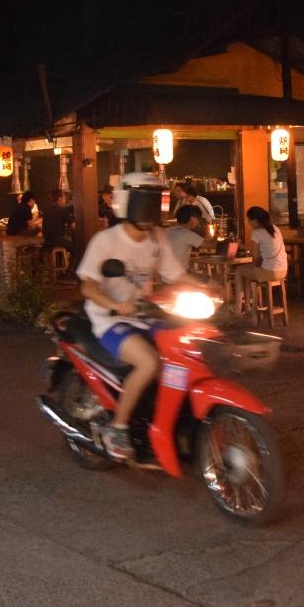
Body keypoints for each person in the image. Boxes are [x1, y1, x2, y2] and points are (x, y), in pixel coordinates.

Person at [76, 173, 189, 460]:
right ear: (127, 202)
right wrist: (114, 305)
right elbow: (88, 286)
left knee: (184, 352)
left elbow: (176, 276)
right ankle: (118, 427)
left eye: (155, 201)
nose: (149, 209)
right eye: (144, 201)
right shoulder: (106, 240)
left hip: (146, 315)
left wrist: (208, 288)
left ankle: (166, 419)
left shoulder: (158, 238)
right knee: (149, 362)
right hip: (110, 320)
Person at [234, 206, 288, 313]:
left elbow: (254, 256)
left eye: (249, 220)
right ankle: (247, 307)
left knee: (239, 270)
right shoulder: (275, 229)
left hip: (270, 272)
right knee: (247, 272)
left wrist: (242, 247)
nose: (249, 223)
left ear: (255, 220)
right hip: (283, 271)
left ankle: (238, 308)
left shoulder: (257, 233)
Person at [166, 204, 206, 270]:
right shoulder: (188, 234)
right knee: (204, 275)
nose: (198, 222)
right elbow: (211, 245)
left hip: (163, 272)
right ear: (192, 218)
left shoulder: (167, 231)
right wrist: (216, 231)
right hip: (178, 273)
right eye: (198, 219)